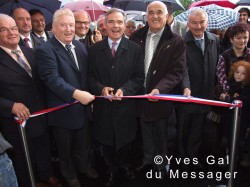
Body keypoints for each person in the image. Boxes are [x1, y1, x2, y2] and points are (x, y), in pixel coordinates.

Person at [35, 8, 97, 187]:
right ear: (53, 27)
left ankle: (84, 167)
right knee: (65, 149)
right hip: (62, 111)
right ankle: (69, 175)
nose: (69, 29)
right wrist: (76, 94)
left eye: (71, 25)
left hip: (84, 109)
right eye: (63, 25)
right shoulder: (45, 50)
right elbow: (51, 78)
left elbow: (87, 75)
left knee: (84, 143)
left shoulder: (80, 46)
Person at [0, 14, 62, 187]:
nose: (11, 33)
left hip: (39, 113)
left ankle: (46, 175)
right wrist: (10, 105)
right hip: (15, 121)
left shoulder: (30, 51)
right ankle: (30, 181)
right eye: (3, 29)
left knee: (43, 147)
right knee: (21, 155)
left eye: (13, 28)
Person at [88, 8, 144, 186]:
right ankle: (111, 167)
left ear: (124, 24)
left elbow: (139, 78)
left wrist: (125, 91)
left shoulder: (135, 49)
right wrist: (101, 89)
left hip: (125, 105)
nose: (115, 26)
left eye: (119, 22)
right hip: (104, 107)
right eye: (111, 22)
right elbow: (89, 77)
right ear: (104, 24)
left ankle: (123, 164)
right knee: (106, 139)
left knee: (125, 138)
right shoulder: (95, 50)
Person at [130, 1, 186, 177]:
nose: (155, 16)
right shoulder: (136, 37)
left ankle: (161, 164)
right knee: (145, 130)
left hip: (160, 95)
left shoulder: (176, 41)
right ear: (146, 16)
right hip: (140, 94)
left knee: (161, 132)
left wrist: (160, 89)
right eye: (151, 12)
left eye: (159, 12)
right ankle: (147, 160)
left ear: (167, 16)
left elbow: (177, 71)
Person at [176, 8, 220, 166]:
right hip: (188, 95)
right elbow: (182, 69)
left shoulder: (214, 40)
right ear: (188, 23)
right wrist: (186, 87)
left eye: (201, 22)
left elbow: (217, 67)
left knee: (198, 129)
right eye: (194, 22)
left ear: (207, 23)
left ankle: (192, 157)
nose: (198, 26)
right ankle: (182, 159)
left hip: (206, 95)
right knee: (184, 129)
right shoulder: (181, 42)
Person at [217, 23, 250, 95]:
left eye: (245, 37)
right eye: (238, 38)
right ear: (231, 39)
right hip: (229, 95)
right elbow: (221, 78)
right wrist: (230, 92)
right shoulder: (224, 56)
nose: (242, 41)